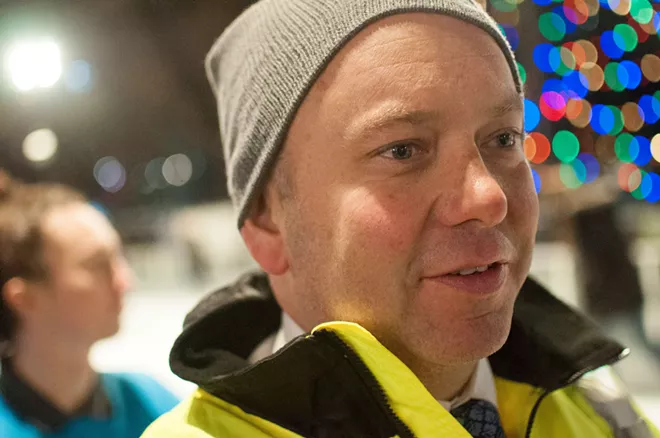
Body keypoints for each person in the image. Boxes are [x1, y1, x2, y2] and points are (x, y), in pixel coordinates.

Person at [143, 0, 660, 436]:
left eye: (504, 138)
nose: (487, 196)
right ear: (267, 223)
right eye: (403, 151)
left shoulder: (595, 408)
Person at [0, 172, 179, 437]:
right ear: (24, 299)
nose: (125, 282)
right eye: (96, 265)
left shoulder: (151, 404)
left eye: (119, 257)